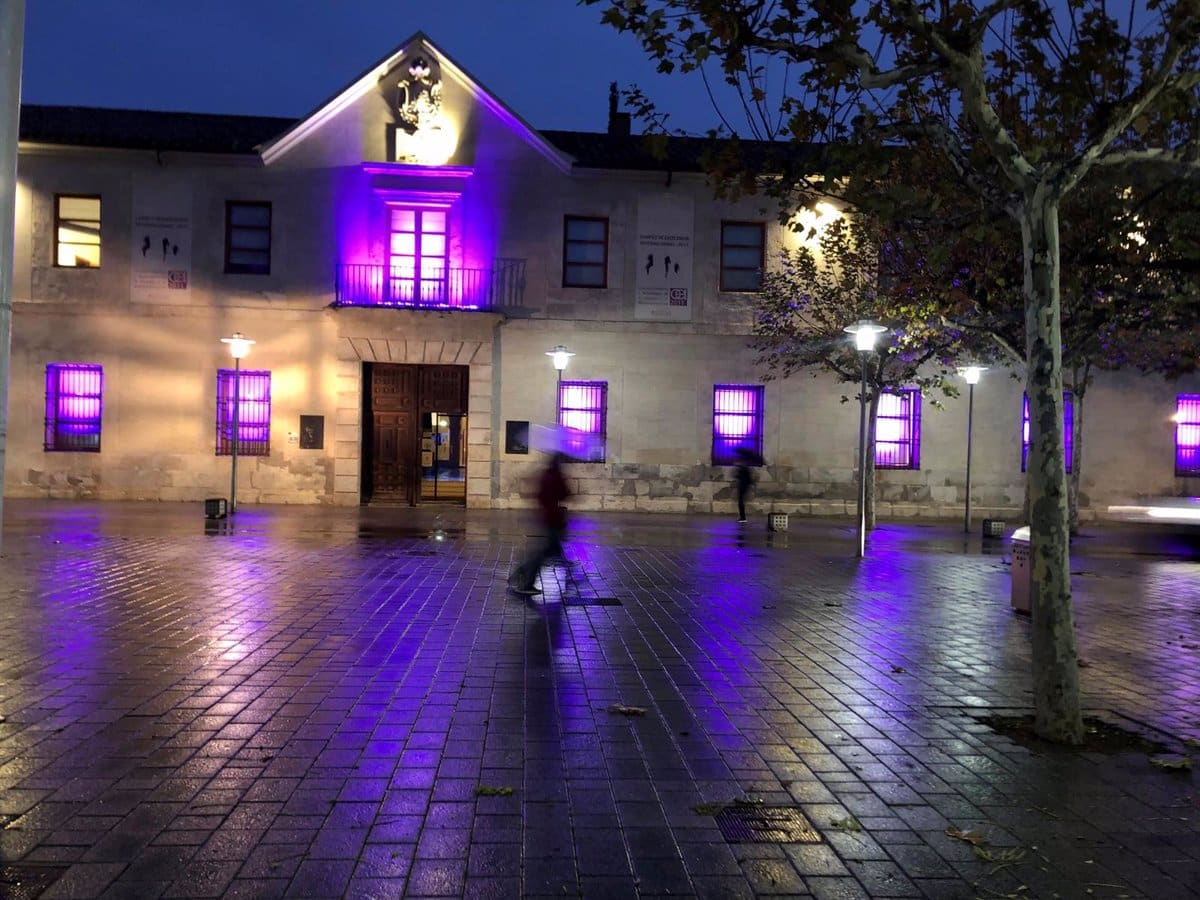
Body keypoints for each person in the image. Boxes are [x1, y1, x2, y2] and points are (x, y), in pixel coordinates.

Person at [510, 451, 572, 594]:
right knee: (544, 553)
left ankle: (521, 572)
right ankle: (525, 581)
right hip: (553, 519)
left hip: (547, 517)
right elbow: (564, 493)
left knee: (549, 551)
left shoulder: (546, 475)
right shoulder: (556, 476)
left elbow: (541, 496)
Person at [734, 447, 758, 524]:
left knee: (741, 501)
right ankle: (742, 517)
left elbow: (745, 477)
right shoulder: (744, 467)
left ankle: (743, 517)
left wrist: (738, 468)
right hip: (743, 485)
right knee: (740, 501)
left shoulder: (744, 468)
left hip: (743, 486)